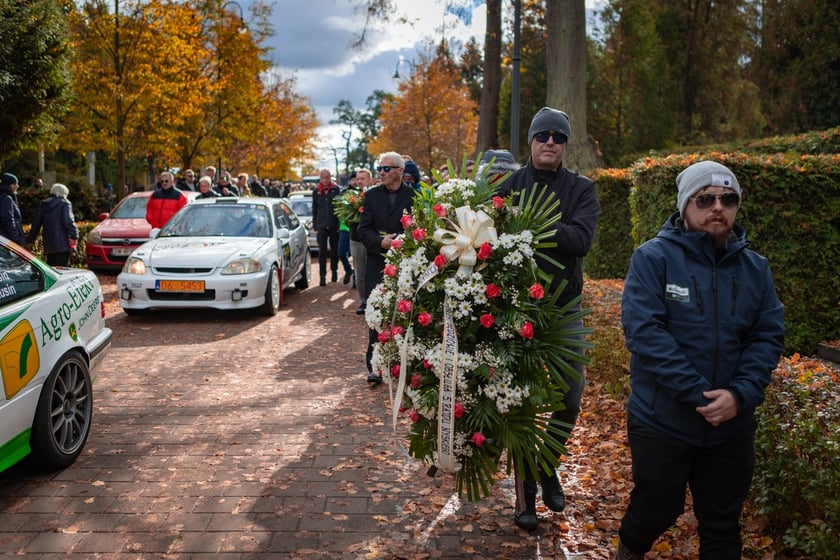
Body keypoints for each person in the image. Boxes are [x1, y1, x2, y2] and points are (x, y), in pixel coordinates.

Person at [615, 161, 785, 560]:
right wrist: (698, 394)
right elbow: (645, 332)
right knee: (656, 508)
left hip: (731, 426)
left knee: (723, 526)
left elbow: (767, 335)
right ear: (685, 205)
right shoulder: (652, 258)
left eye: (728, 199)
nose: (717, 208)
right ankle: (629, 549)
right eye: (704, 199)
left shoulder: (756, 268)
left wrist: (739, 395)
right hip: (663, 420)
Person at [495, 107, 601, 530]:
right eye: (543, 136)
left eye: (559, 137)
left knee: (569, 398)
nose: (550, 142)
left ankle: (545, 462)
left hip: (563, 309)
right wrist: (552, 229)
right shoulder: (507, 185)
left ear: (566, 144)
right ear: (531, 142)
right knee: (518, 402)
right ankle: (525, 502)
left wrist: (530, 227)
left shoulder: (583, 189)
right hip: (512, 307)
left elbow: (581, 241)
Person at [357, 152, 415, 385]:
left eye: (386, 168)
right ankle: (374, 365)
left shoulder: (414, 195)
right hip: (377, 262)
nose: (381, 172)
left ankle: (404, 363)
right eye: (379, 168)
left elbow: (421, 225)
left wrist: (401, 242)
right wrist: (381, 242)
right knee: (377, 313)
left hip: (406, 263)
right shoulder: (371, 197)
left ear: (400, 171)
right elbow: (363, 229)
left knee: (404, 312)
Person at [26, 183, 79, 267]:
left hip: (48, 243)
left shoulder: (44, 204)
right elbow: (68, 221)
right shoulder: (65, 204)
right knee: (62, 270)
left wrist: (30, 240)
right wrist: (74, 236)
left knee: (51, 268)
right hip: (63, 243)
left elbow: (36, 223)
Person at [312, 168, 341, 286]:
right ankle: (322, 276)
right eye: (323, 177)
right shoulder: (316, 191)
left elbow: (340, 208)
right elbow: (314, 209)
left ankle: (334, 271)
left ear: (330, 177)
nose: (325, 179)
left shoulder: (336, 189)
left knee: (334, 251)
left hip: (334, 225)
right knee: (322, 251)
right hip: (321, 225)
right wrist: (315, 225)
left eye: (327, 177)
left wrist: (339, 223)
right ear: (320, 178)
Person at [350, 169, 373, 314]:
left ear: (370, 180)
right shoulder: (351, 197)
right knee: (359, 273)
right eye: (358, 179)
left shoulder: (374, 196)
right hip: (356, 238)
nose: (359, 181)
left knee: (372, 271)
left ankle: (374, 300)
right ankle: (363, 301)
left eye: (362, 179)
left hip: (371, 239)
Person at [336, 172, 355, 286]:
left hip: (357, 230)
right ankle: (348, 270)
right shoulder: (343, 193)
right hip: (344, 228)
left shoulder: (363, 193)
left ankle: (356, 280)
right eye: (353, 179)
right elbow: (338, 209)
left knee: (356, 256)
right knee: (341, 253)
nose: (354, 182)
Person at [0, 173, 26, 245]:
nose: (17, 186)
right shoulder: (7, 198)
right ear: (9, 185)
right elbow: (8, 220)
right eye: (15, 184)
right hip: (8, 239)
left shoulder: (3, 196)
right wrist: (17, 238)